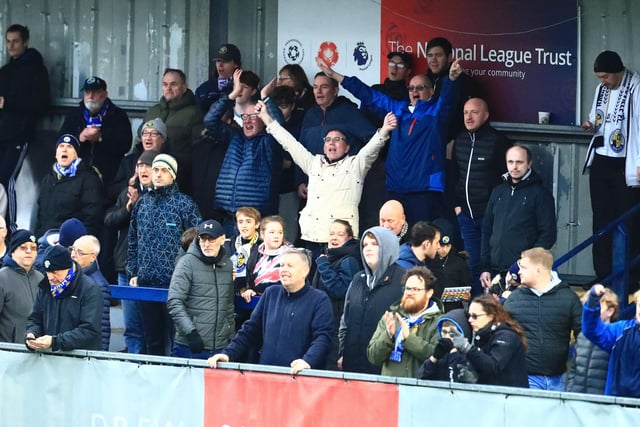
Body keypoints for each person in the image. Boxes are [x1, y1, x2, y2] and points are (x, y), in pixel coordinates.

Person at [318, 57, 463, 225]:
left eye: (420, 88)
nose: (415, 91)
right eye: (411, 88)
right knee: (394, 238)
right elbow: (369, 95)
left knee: (420, 238)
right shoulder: (399, 109)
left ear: (431, 91)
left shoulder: (436, 113)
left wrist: (451, 80)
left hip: (423, 190)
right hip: (395, 187)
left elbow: (447, 100)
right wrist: (335, 76)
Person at [257, 99, 396, 251]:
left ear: (347, 147)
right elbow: (289, 143)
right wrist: (266, 118)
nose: (332, 143)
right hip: (312, 237)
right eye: (328, 140)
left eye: (337, 140)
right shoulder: (313, 163)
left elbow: (372, 148)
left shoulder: (356, 165)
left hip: (341, 239)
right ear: (323, 146)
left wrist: (384, 129)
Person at [207, 248, 333, 374]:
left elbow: (323, 337)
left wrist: (307, 361)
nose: (284, 270)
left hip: (300, 379)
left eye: (290, 266)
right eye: (282, 265)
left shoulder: (319, 300)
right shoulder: (270, 294)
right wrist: (227, 354)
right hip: (267, 378)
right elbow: (250, 330)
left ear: (305, 271)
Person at [127, 153, 201, 355]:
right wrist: (133, 271)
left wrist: (189, 276)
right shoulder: (141, 204)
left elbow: (197, 242)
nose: (157, 174)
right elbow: (132, 241)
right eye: (155, 169)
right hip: (146, 282)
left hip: (176, 284)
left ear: (173, 175)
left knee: (177, 338)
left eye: (163, 170)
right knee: (152, 340)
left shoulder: (185, 204)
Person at [581, 51, 640, 281]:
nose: (602, 81)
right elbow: (598, 118)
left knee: (630, 222)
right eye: (599, 77)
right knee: (601, 219)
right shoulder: (602, 90)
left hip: (627, 163)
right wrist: (590, 124)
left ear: (618, 71)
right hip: (602, 159)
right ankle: (602, 275)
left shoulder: (635, 88)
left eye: (605, 76)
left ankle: (632, 279)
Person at [208, 69, 284, 223]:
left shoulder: (269, 142)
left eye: (253, 117)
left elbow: (279, 127)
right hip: (230, 217)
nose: (248, 121)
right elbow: (210, 121)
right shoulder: (234, 136)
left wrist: (265, 97)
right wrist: (232, 95)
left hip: (256, 218)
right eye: (245, 117)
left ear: (263, 120)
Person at [452, 97, 511, 292]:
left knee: (491, 264)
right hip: (466, 217)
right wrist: (457, 206)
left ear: (485, 116)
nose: (469, 117)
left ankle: (492, 306)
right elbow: (453, 175)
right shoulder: (459, 140)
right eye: (465, 113)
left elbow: (508, 180)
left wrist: (498, 209)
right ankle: (476, 308)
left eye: (474, 112)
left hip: (490, 218)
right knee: (472, 264)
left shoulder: (498, 141)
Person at [504, 247, 582, 390]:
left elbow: (583, 337)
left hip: (560, 378)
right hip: (526, 378)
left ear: (539, 270)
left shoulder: (569, 298)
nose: (519, 271)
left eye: (524, 268)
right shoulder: (514, 299)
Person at [480, 145, 556, 289]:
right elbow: (486, 230)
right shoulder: (498, 191)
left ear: (529, 164)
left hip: (524, 276)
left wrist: (523, 268)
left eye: (519, 162)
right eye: (510, 162)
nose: (514, 167)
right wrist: (484, 267)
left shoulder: (541, 195)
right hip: (495, 273)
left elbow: (548, 235)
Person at [104, 150, 157, 353]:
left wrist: (139, 205)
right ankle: (134, 360)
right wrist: (128, 208)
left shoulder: (162, 195)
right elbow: (109, 221)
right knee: (132, 325)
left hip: (152, 270)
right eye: (140, 166)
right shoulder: (127, 193)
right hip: (125, 265)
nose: (143, 169)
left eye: (148, 166)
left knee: (151, 326)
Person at [296, 71, 376, 202]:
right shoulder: (310, 114)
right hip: (313, 187)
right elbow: (300, 149)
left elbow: (374, 139)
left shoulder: (348, 112)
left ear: (335, 90)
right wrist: (299, 182)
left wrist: (355, 166)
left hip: (341, 186)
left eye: (324, 87)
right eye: (315, 87)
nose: (318, 91)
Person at [0, 24, 50, 230]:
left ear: (25, 42)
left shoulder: (36, 69)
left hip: (20, 136)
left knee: (7, 181)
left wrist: (9, 102)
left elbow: (41, 104)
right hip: (2, 135)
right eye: (8, 41)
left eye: (15, 41)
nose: (11, 46)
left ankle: (10, 231)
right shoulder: (5, 71)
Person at [339, 226, 406, 374]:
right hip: (352, 367)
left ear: (387, 247)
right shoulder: (357, 279)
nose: (368, 248)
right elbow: (346, 322)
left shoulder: (404, 280)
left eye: (374, 244)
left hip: (385, 369)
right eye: (365, 245)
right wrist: (342, 352)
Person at [167, 220, 234, 359]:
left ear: (222, 239)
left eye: (211, 239)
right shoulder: (186, 263)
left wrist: (231, 336)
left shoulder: (227, 264)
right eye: (203, 239)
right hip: (189, 346)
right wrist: (191, 332)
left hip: (220, 347)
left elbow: (228, 305)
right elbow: (174, 301)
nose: (206, 244)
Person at [367, 266, 442, 377]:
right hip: (391, 390)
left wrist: (409, 339)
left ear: (429, 293)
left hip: (421, 391)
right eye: (407, 288)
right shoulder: (391, 317)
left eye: (415, 289)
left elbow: (438, 358)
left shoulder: (439, 322)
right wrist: (387, 336)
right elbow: (373, 357)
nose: (409, 293)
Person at [25, 245, 102, 351]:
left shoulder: (89, 289)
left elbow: (89, 330)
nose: (50, 277)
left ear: (68, 268)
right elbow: (35, 318)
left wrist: (55, 342)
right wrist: (32, 334)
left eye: (55, 272)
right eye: (48, 272)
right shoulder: (45, 287)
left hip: (80, 361)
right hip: (49, 359)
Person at [60, 76, 133, 189]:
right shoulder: (74, 115)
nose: (90, 96)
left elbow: (125, 145)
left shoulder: (118, 115)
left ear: (104, 94)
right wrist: (80, 137)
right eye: (87, 92)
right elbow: (60, 141)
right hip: (76, 177)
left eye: (95, 92)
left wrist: (100, 138)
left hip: (109, 180)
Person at [312, 219, 362, 369]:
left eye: (340, 234)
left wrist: (323, 265)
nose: (334, 237)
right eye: (331, 233)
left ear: (349, 238)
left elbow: (341, 290)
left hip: (336, 323)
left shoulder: (348, 260)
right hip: (325, 320)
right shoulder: (330, 257)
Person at [143, 68, 202, 193]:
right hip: (149, 174)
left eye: (173, 84)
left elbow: (197, 151)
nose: (168, 88)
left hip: (179, 177)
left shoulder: (194, 113)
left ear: (184, 87)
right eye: (165, 84)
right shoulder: (152, 112)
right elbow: (139, 143)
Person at [449, 295, 529, 388]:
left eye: (475, 316)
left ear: (491, 316)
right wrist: (475, 378)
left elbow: (494, 366)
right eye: (469, 315)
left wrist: (467, 348)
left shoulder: (506, 336)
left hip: (512, 397)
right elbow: (487, 370)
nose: (470, 320)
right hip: (495, 395)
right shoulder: (481, 335)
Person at [35, 134, 105, 238]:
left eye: (69, 147)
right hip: (45, 241)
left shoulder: (88, 178)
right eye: (61, 146)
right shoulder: (48, 178)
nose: (64, 149)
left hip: (70, 244)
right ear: (56, 154)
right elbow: (40, 215)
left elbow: (92, 218)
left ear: (76, 154)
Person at [582, 284, 640, 397]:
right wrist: (593, 300)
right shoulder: (621, 330)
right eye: (639, 304)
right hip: (616, 408)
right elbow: (592, 330)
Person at [567, 288, 618, 394]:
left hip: (602, 403)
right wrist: (570, 392)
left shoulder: (616, 338)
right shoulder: (582, 335)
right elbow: (574, 370)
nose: (590, 312)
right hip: (577, 399)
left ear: (610, 311)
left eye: (597, 307)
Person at [0, 230, 43, 343]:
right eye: (23, 248)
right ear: (13, 251)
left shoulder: (41, 278)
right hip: (8, 352)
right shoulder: (2, 277)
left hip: (36, 351)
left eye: (33, 248)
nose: (29, 251)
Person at [70, 235, 111, 351]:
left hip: (87, 352)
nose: (73, 255)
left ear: (93, 257)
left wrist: (101, 356)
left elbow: (102, 326)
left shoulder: (98, 285)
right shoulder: (69, 277)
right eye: (72, 249)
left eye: (80, 252)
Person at [110, 118, 166, 200]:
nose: (148, 138)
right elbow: (113, 191)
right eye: (145, 133)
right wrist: (130, 184)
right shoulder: (128, 161)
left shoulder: (170, 162)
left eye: (153, 134)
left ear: (163, 139)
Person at [417, 309, 473, 382]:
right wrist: (433, 358)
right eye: (444, 332)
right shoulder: (441, 355)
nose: (447, 337)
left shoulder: (470, 355)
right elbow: (421, 378)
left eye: (452, 333)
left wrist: (453, 352)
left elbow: (456, 379)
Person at [195, 43, 241, 114]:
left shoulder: (244, 87)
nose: (220, 65)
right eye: (218, 61)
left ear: (236, 64)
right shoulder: (204, 89)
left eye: (225, 61)